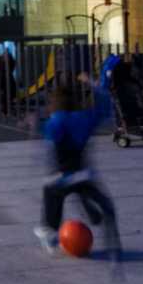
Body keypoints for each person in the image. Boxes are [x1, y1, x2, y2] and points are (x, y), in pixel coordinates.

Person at [33, 56, 122, 265]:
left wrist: (34, 124)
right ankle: (92, 212)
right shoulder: (85, 118)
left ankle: (49, 231)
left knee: (50, 193)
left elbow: (49, 144)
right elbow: (105, 104)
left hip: (61, 179)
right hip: (84, 176)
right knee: (86, 190)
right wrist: (90, 82)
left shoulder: (55, 121)